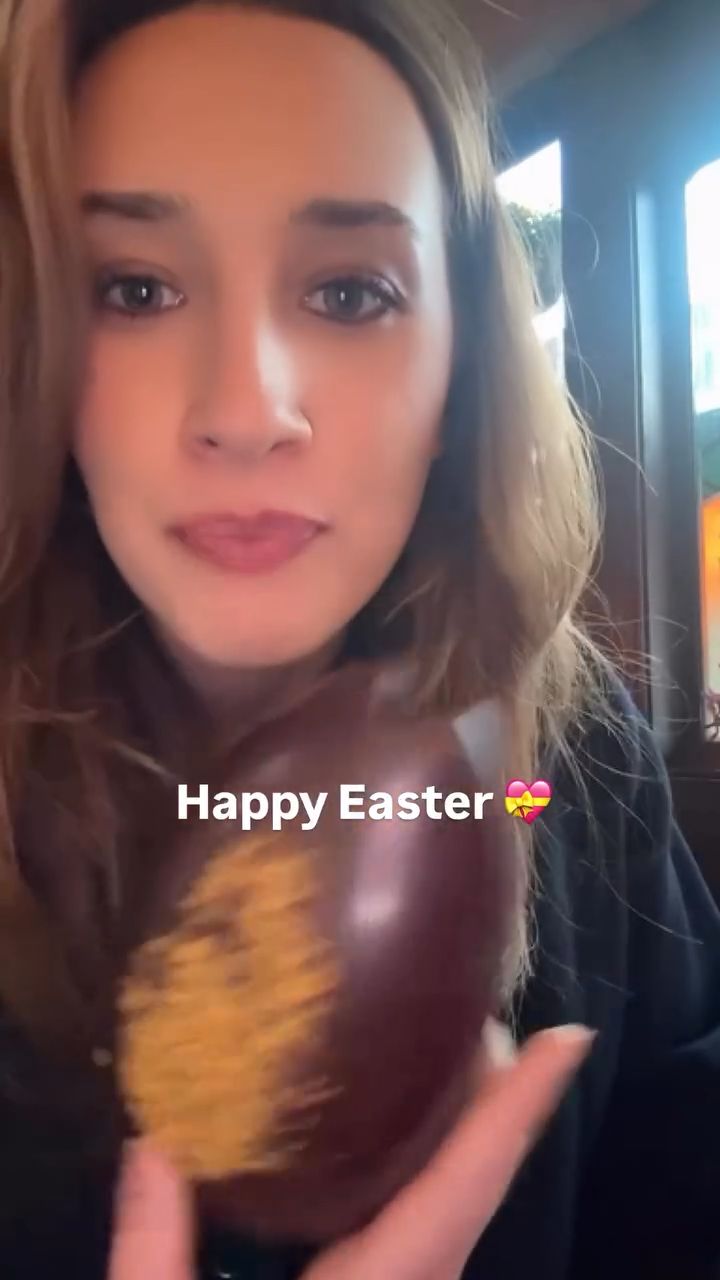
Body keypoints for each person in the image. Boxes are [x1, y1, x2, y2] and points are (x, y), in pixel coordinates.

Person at [0, 1, 718, 1277]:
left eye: (348, 291)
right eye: (135, 287)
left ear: (460, 374)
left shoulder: (572, 752)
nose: (247, 408)